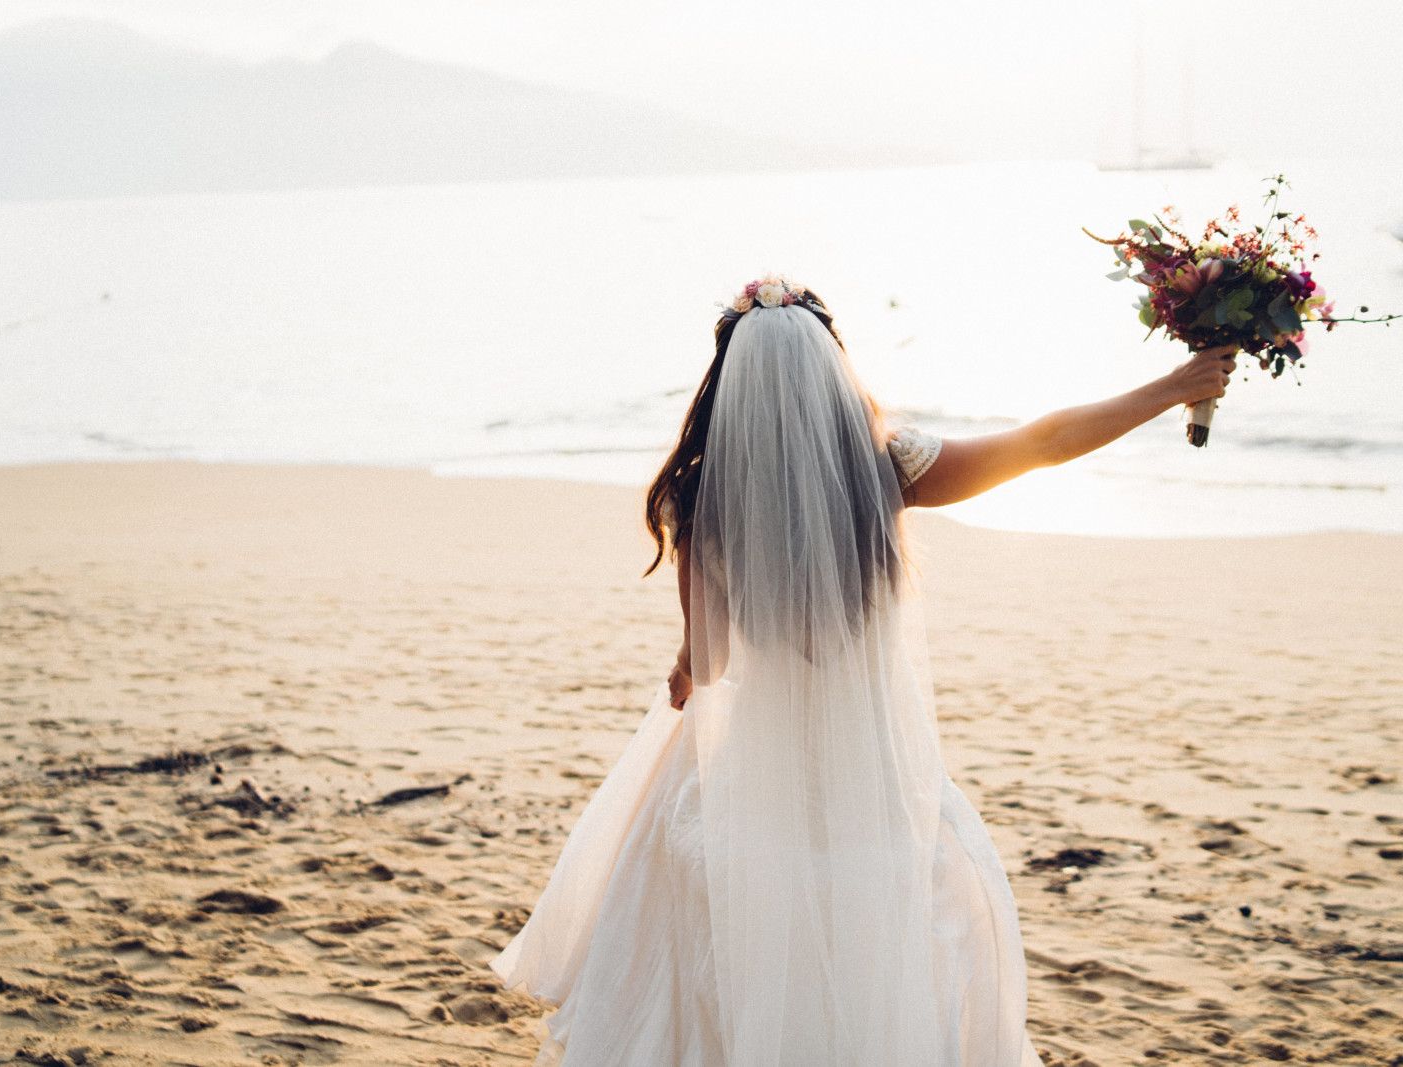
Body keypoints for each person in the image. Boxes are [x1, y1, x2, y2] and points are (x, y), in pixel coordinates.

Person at [490, 276, 1236, 1066]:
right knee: (903, 926)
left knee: (713, 932)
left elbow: (708, 661)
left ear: (728, 382)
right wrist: (1175, 386)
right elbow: (1041, 443)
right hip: (870, 770)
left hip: (757, 768)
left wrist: (682, 661)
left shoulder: (700, 491)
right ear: (834, 366)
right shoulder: (888, 470)